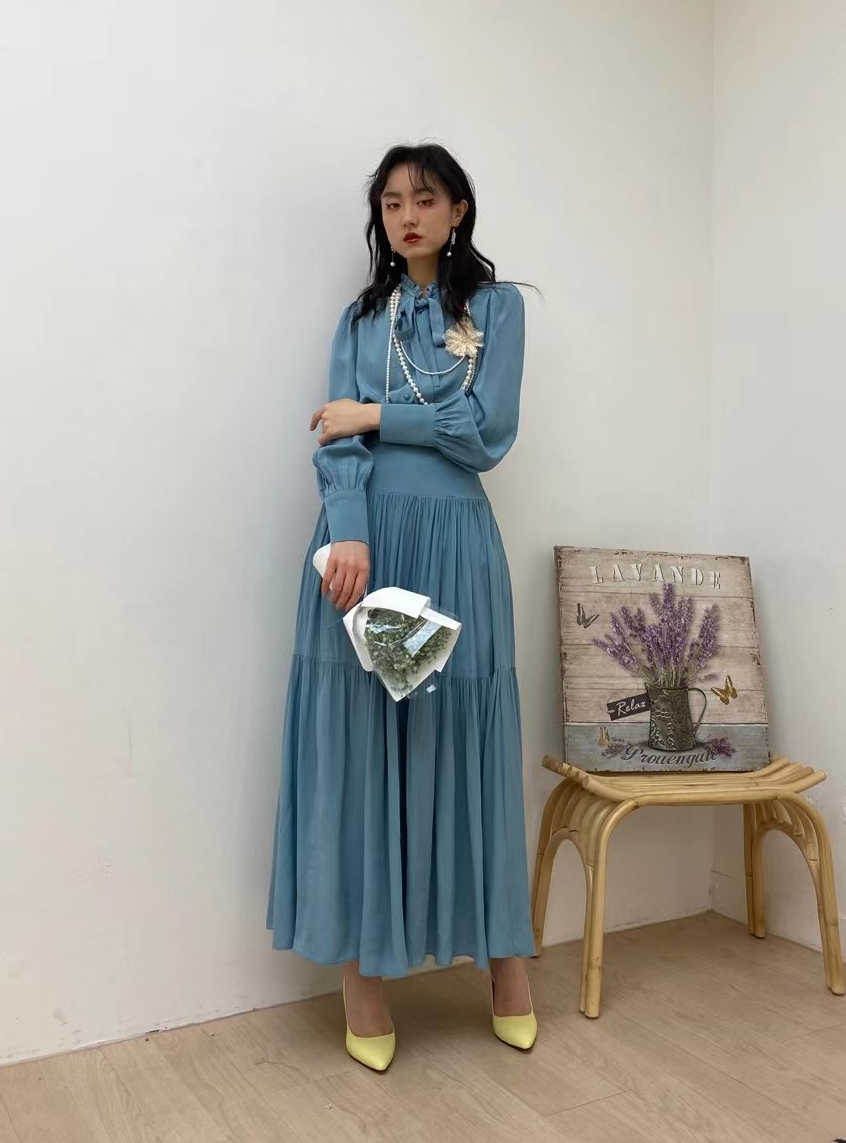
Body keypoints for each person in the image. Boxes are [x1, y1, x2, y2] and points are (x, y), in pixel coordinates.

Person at [267, 142, 537, 1071]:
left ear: (458, 209)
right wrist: (347, 529)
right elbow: (334, 443)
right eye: (390, 203)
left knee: (463, 740)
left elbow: (485, 433)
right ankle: (365, 985)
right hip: (364, 543)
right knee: (362, 749)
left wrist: (377, 415)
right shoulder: (361, 318)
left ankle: (507, 968)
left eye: (425, 199)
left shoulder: (497, 310)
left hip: (457, 539)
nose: (407, 217)